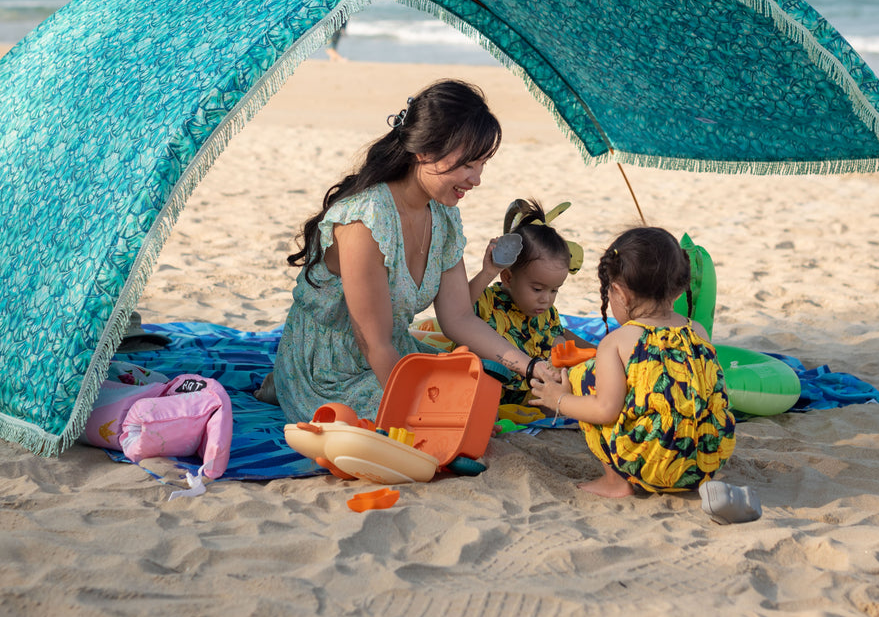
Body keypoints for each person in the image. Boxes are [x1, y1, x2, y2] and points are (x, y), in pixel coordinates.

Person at [265, 79, 543, 423]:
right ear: (424, 151)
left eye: (482, 164)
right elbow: (374, 343)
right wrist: (418, 407)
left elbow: (458, 318)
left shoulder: (443, 216)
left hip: (393, 351)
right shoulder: (365, 220)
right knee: (446, 415)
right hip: (332, 365)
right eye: (468, 164)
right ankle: (284, 381)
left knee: (481, 392)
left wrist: (530, 367)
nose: (477, 179)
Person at [527, 226, 734, 497]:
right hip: (708, 461)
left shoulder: (617, 342)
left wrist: (559, 400)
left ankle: (616, 482)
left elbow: (605, 410)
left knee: (583, 375)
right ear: (679, 289)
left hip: (649, 466)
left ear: (619, 292)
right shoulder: (698, 331)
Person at [467, 198, 588, 404]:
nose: (546, 299)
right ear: (508, 277)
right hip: (484, 391)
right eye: (537, 289)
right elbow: (459, 308)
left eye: (554, 290)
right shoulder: (489, 301)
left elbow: (558, 337)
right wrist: (488, 272)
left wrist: (586, 352)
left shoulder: (546, 313)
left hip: (529, 393)